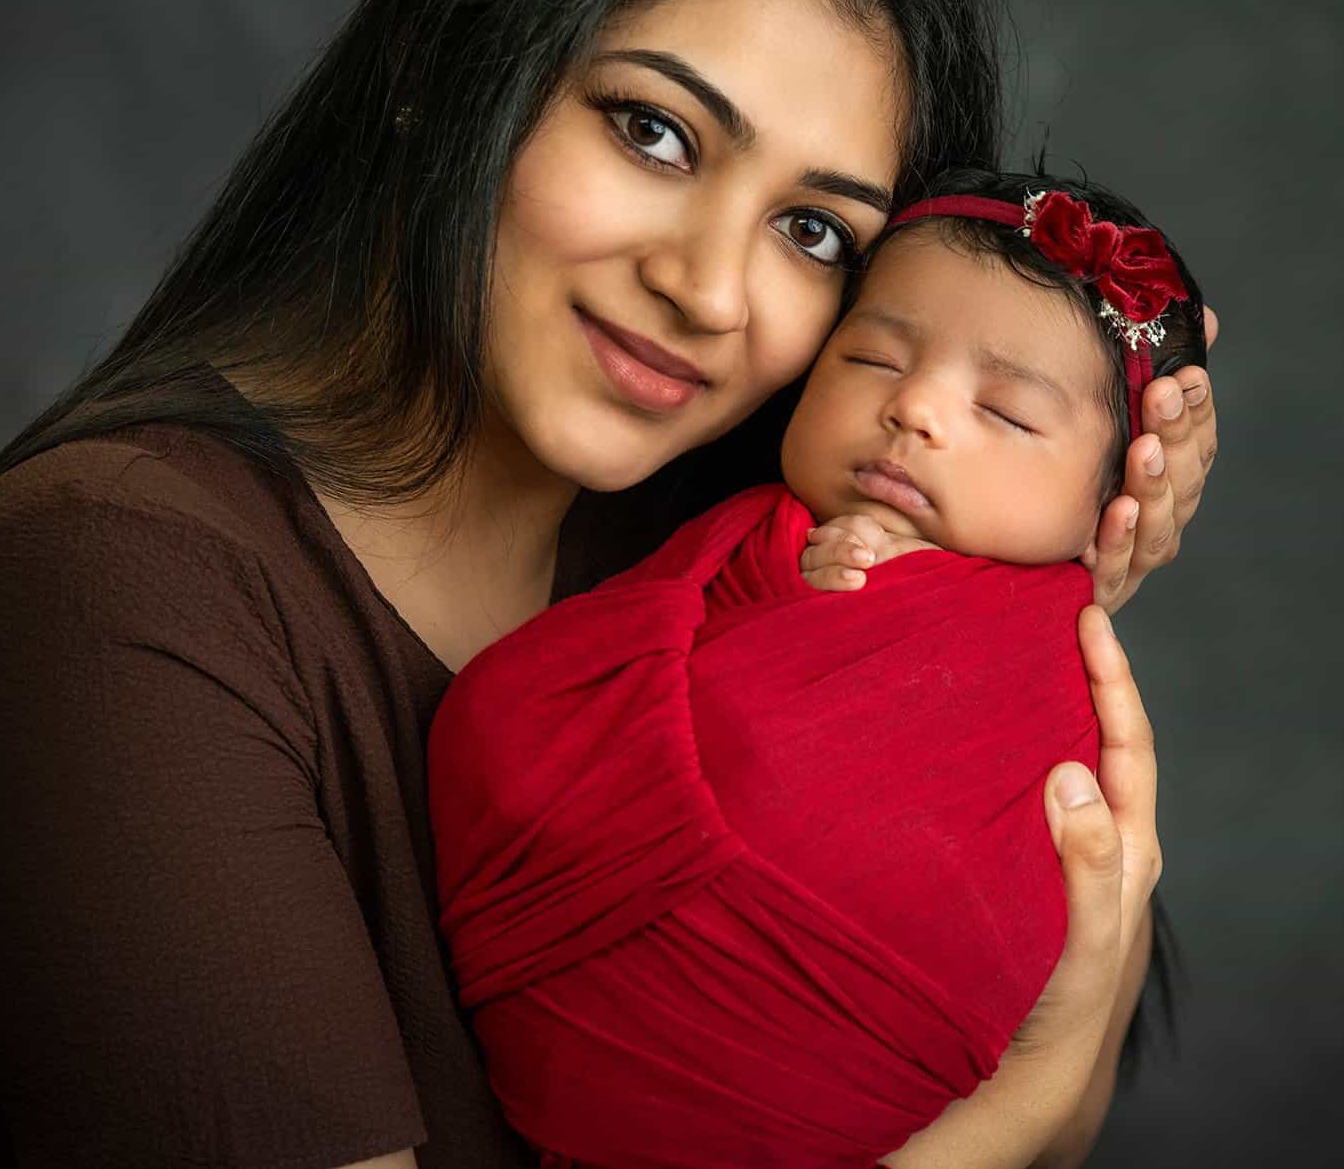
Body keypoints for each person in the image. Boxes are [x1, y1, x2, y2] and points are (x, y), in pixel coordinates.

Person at [0, 0, 1219, 1169]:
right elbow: (1036, 1091)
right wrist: (1016, 1120)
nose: (708, 288)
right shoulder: (104, 593)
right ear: (435, 71)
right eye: (652, 130)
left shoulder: (727, 565)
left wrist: (1028, 574)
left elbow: (982, 1025)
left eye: (815, 232)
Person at [429, 169, 1205, 1167]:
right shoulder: (727, 533)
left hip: (837, 1076)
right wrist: (780, 575)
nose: (914, 407)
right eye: (873, 357)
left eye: (1006, 413)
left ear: (1118, 505)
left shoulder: (1065, 680)